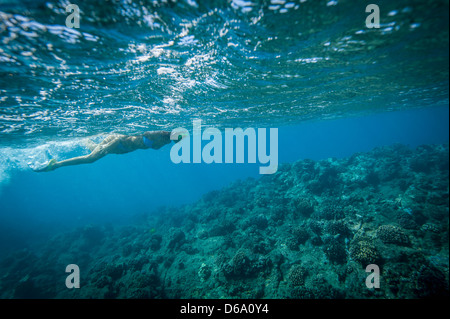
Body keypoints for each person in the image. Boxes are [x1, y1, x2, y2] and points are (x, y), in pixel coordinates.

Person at [35, 130, 177, 172]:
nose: (175, 142)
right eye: (178, 139)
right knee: (90, 158)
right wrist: (109, 146)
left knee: (92, 149)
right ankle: (55, 165)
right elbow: (127, 135)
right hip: (117, 141)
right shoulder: (156, 133)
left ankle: (82, 137)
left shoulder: (165, 141)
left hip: (122, 150)